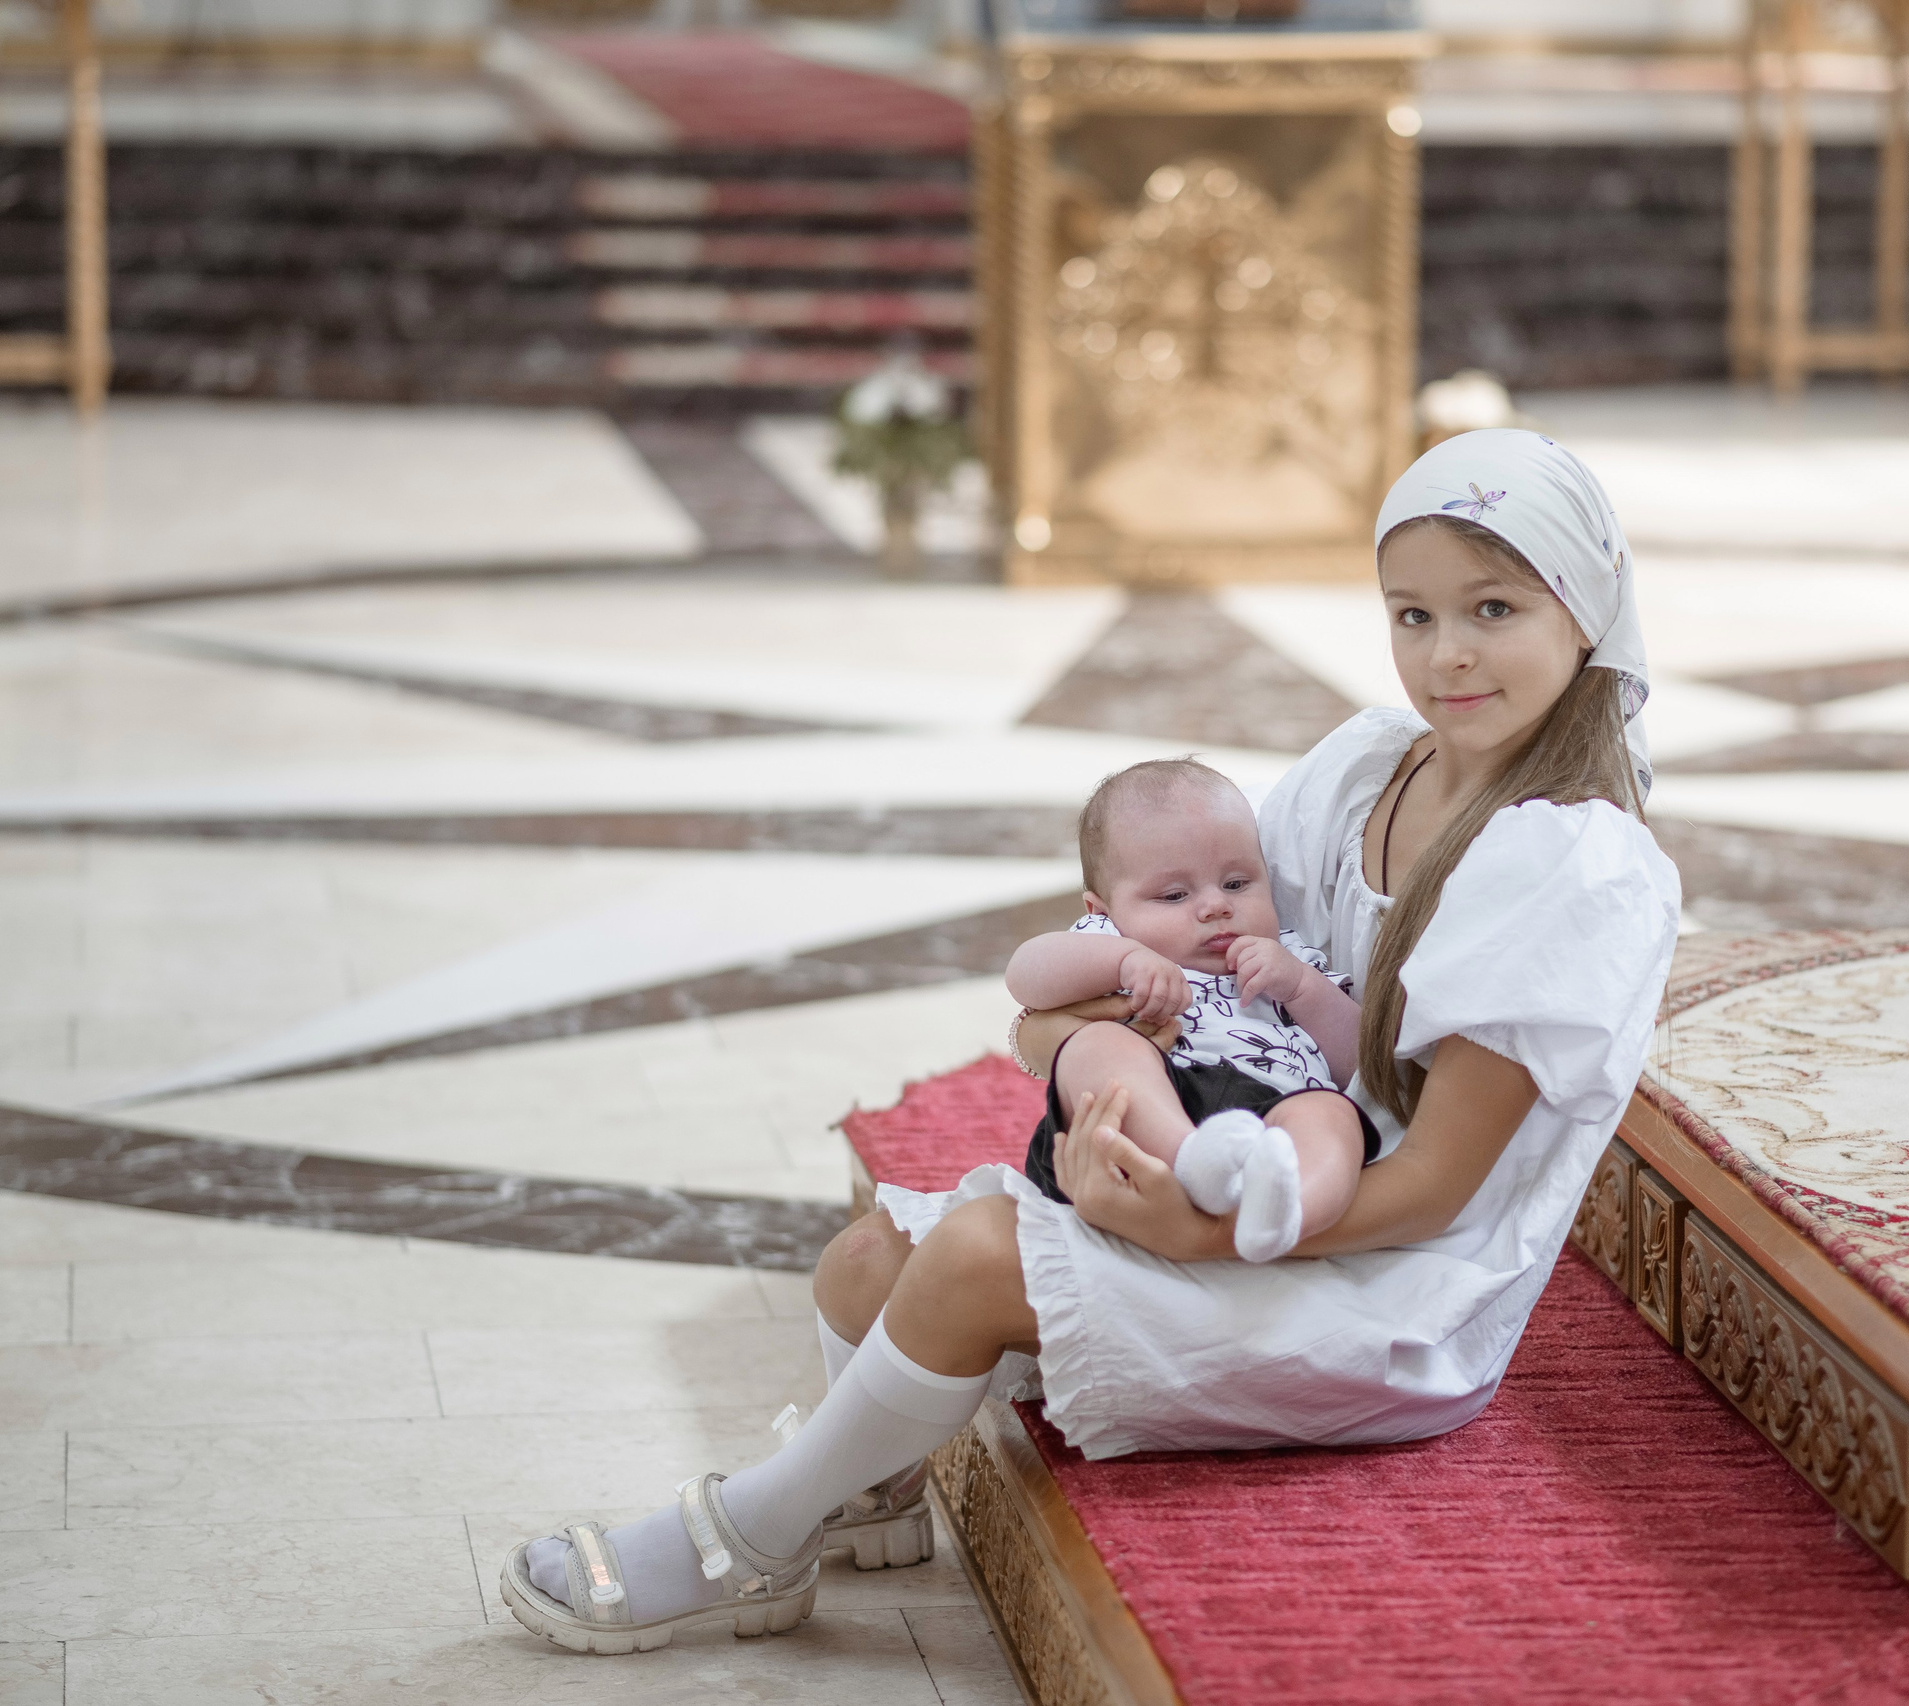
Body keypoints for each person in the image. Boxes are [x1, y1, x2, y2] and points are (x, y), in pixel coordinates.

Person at [500, 428, 1681, 1657]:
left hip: (1380, 1273)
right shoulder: (1368, 766)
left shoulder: (1570, 862)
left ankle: (752, 1540)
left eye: (1494, 608)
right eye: (1412, 613)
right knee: (862, 1262)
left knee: (964, 1255)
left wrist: (1190, 1224)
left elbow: (1438, 1188)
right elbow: (1176, 948)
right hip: (1236, 1141)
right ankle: (864, 1491)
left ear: (1583, 607)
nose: (1448, 654)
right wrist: (1065, 1034)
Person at [1004, 757, 1380, 1266]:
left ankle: (1287, 1214)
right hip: (1137, 1128)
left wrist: (1303, 988)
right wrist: (1125, 960)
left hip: (1270, 1124)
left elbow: (1361, 1065)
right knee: (1097, 1046)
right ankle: (1191, 1159)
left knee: (1334, 1114)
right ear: (1102, 909)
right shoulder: (1110, 944)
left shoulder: (1289, 958)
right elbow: (1025, 974)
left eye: (1236, 884)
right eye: (1174, 895)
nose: (1214, 907)